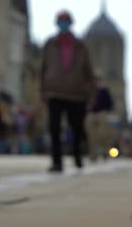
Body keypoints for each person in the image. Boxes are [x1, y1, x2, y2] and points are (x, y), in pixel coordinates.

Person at [40, 10, 95, 173]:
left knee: (77, 127)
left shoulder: (80, 46)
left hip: (76, 93)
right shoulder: (50, 43)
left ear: (71, 23)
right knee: (54, 127)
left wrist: (90, 94)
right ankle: (57, 161)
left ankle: (77, 157)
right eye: (60, 21)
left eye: (66, 21)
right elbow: (43, 68)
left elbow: (88, 71)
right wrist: (42, 90)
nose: (63, 23)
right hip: (54, 92)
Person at [86, 76, 114, 162]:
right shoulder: (89, 91)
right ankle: (93, 153)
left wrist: (106, 110)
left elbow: (110, 102)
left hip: (101, 113)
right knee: (91, 135)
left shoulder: (104, 90)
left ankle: (105, 151)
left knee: (103, 133)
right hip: (91, 113)